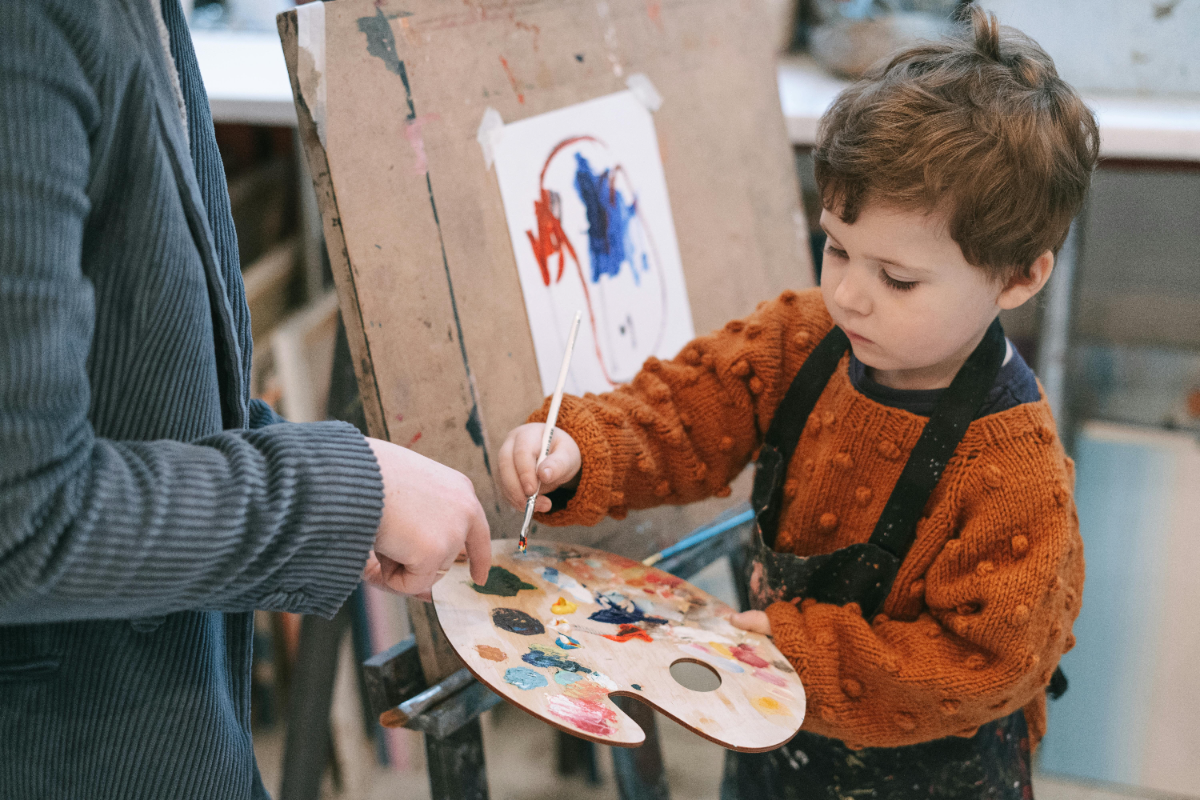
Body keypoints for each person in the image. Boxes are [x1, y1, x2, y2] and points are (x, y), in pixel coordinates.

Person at [498, 7, 1094, 798]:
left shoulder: (1014, 471)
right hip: (775, 731)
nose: (849, 293)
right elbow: (682, 414)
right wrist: (581, 449)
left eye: (899, 279)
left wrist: (805, 657)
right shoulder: (802, 340)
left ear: (1020, 277)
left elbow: (988, 665)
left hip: (931, 771)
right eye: (837, 248)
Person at [0, 1, 490, 797]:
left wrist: (329, 484)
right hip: (68, 743)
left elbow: (133, 385)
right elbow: (18, 515)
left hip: (164, 715)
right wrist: (337, 493)